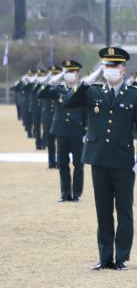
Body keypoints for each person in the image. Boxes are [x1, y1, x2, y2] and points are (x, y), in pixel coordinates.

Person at [64, 47, 137, 271]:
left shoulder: (135, 94)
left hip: (123, 161)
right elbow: (69, 102)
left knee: (124, 210)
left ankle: (121, 257)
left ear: (123, 69)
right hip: (99, 159)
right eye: (107, 66)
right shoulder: (92, 91)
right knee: (103, 211)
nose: (111, 70)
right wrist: (88, 79)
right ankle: (105, 257)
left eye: (114, 66)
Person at [39, 60, 87, 202]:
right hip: (61, 131)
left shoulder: (82, 90)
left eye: (71, 72)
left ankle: (77, 193)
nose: (69, 75)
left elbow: (86, 111)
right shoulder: (58, 89)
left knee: (78, 164)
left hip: (77, 131)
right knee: (62, 164)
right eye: (66, 72)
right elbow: (42, 94)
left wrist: (87, 129)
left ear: (77, 73)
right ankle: (65, 193)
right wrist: (52, 81)